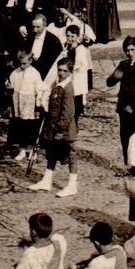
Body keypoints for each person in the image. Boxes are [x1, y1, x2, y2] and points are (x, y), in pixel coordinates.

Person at [30, 54, 79, 197]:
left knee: (70, 156)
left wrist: (61, 130)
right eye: (59, 70)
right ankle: (47, 180)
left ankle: (72, 185)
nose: (61, 73)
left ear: (70, 72)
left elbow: (68, 112)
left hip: (65, 130)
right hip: (53, 128)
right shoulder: (58, 86)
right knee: (51, 153)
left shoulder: (68, 88)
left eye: (65, 71)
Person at [105, 35, 135, 157]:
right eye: (127, 50)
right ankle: (128, 163)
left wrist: (133, 106)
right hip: (123, 108)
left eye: (132, 50)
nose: (129, 53)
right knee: (125, 136)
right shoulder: (123, 64)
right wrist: (114, 77)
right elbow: (109, 83)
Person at [5, 48, 49, 163]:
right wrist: (9, 87)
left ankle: (33, 151)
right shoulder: (15, 73)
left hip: (30, 105)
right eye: (20, 63)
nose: (22, 66)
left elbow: (40, 89)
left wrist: (39, 103)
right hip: (18, 104)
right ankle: (22, 150)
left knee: (31, 128)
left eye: (25, 63)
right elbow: (11, 85)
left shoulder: (34, 74)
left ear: (30, 61)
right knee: (20, 128)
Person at [21, 12, 63, 80]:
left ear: (45, 25)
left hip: (45, 76)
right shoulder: (30, 38)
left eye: (38, 27)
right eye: (33, 27)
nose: (35, 30)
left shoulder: (53, 41)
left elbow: (55, 63)